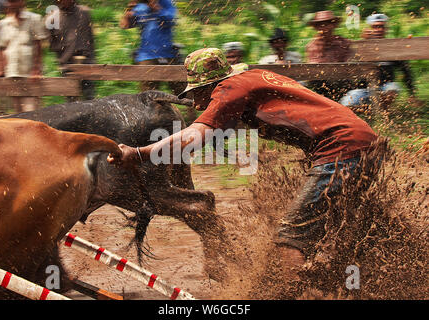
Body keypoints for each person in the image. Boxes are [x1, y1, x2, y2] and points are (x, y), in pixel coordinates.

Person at [107, 48, 379, 277]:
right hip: (361, 143)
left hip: (341, 150)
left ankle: (294, 291)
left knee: (290, 237)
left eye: (199, 93)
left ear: (210, 84)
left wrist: (139, 153)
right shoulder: (255, 79)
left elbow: (195, 134)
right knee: (337, 230)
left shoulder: (230, 89)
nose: (199, 103)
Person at [340, 14, 420, 109]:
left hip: (385, 87)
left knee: (392, 88)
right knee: (346, 104)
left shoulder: (393, 48)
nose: (379, 29)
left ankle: (383, 112)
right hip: (364, 89)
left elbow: (405, 70)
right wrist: (363, 43)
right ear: (370, 28)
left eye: (381, 26)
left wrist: (412, 94)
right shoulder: (362, 46)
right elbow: (350, 66)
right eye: (375, 27)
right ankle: (368, 110)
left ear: (386, 29)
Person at [0, 0, 48, 112]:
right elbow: (2, 48)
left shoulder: (34, 19)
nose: (12, 4)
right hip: (12, 71)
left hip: (29, 72)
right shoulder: (4, 23)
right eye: (9, 2)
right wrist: (0, 69)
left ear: (22, 2)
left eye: (15, 1)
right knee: (18, 111)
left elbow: (38, 45)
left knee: (31, 109)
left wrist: (36, 69)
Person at [120, 0, 184, 95]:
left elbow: (171, 19)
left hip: (168, 53)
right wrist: (128, 12)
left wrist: (155, 7)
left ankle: (192, 108)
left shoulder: (167, 3)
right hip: (146, 55)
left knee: (182, 91)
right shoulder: (140, 6)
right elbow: (124, 25)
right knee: (148, 94)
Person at [47, 0, 95, 101]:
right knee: (71, 98)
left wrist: (91, 56)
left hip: (86, 60)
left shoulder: (84, 12)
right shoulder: (52, 18)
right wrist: (63, 54)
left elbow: (90, 38)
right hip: (67, 61)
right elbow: (52, 43)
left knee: (89, 95)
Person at [305, 11, 353, 101]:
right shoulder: (312, 46)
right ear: (316, 28)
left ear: (334, 25)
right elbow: (312, 70)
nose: (324, 28)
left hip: (342, 85)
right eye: (320, 25)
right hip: (321, 88)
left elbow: (349, 66)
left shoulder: (343, 43)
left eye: (327, 24)